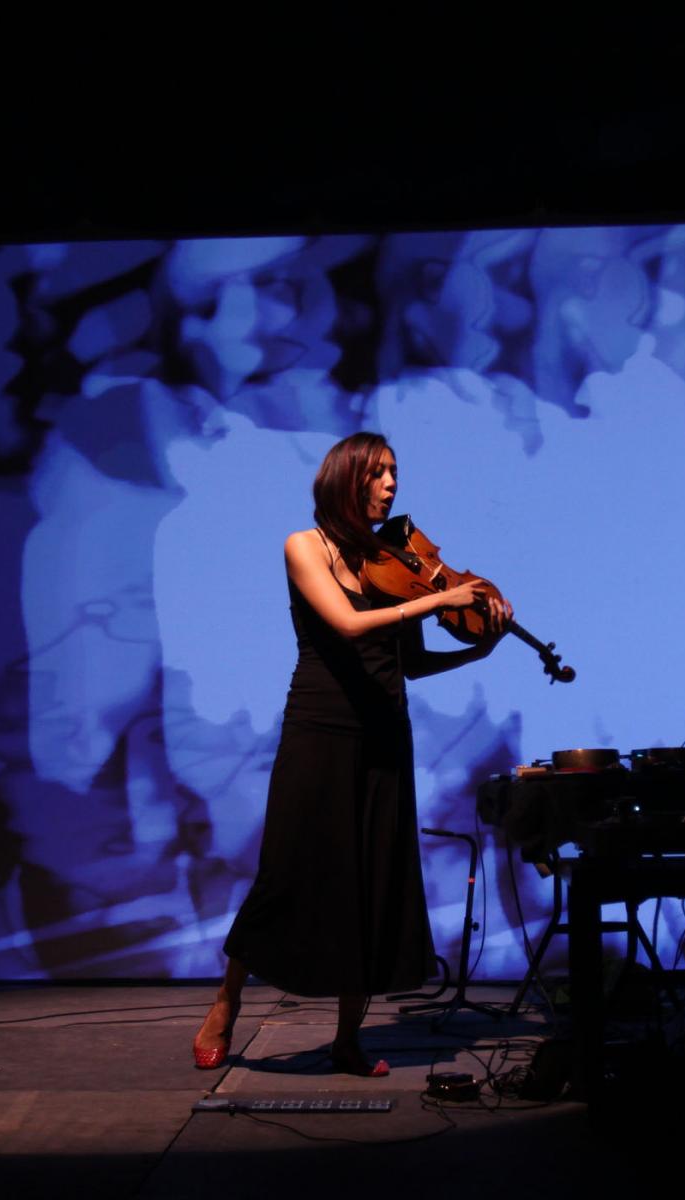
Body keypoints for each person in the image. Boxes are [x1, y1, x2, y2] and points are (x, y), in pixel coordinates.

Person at [192, 432, 510, 1075]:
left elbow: (411, 663)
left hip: (384, 730)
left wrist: (480, 647)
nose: (392, 485)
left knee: (372, 878)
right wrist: (440, 598)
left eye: (396, 472)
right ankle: (226, 1002)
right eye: (380, 473)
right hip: (319, 727)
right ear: (348, 479)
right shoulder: (302, 546)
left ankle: (347, 1038)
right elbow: (345, 624)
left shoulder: (388, 563)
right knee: (286, 870)